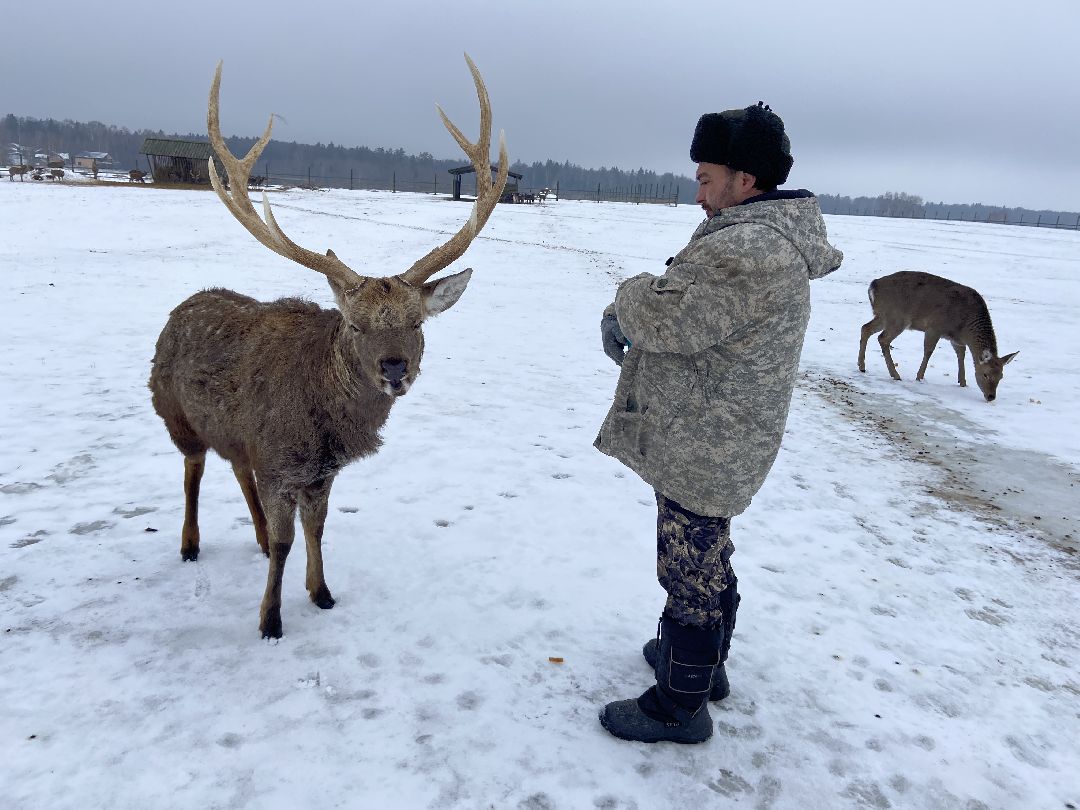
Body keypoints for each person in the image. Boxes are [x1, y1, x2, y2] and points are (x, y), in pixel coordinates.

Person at [594, 102, 843, 744]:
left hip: (709, 440)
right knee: (705, 552)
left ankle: (680, 704)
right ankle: (704, 669)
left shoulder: (750, 247)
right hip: (715, 431)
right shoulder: (753, 233)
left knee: (688, 567)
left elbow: (672, 318)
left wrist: (626, 299)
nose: (699, 192)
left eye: (708, 178)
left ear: (746, 180)